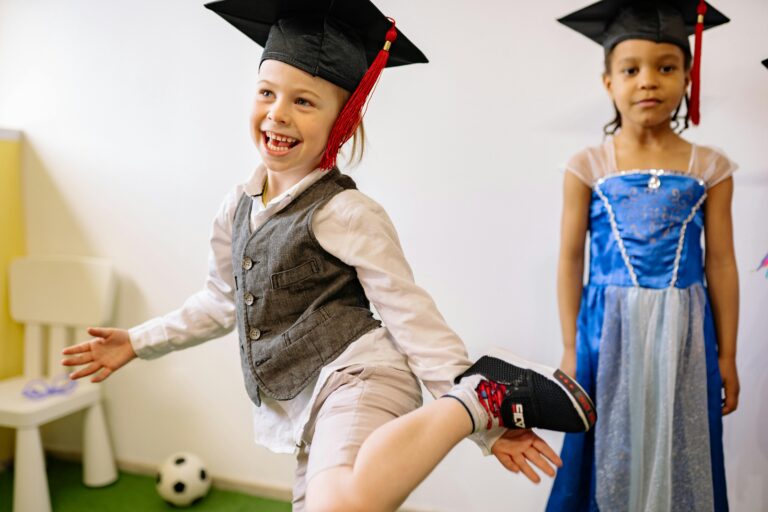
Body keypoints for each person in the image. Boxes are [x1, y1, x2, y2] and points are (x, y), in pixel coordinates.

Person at [62, 1, 595, 510]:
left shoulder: (345, 211)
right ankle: (478, 401)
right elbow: (221, 302)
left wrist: (491, 427)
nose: (278, 114)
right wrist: (138, 340)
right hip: (305, 407)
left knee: (343, 504)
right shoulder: (237, 207)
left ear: (344, 121)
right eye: (267, 92)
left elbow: (412, 318)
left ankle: (478, 399)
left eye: (304, 101)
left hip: (361, 377)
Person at [549, 1, 738, 510]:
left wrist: (727, 354)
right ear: (608, 81)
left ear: (687, 77)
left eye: (666, 67)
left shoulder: (711, 167)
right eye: (631, 69)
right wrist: (570, 349)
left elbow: (721, 262)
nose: (648, 81)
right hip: (606, 331)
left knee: (682, 439)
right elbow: (571, 260)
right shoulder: (588, 165)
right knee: (604, 444)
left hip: (685, 332)